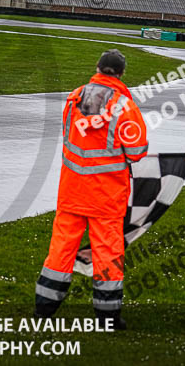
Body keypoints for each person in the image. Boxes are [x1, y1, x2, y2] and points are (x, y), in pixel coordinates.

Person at [34, 49, 148, 329]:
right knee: (108, 255)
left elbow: (69, 138)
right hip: (106, 197)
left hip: (72, 191)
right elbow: (137, 151)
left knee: (59, 252)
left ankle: (43, 311)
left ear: (97, 67)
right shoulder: (123, 106)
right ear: (121, 74)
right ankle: (108, 317)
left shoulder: (74, 99)